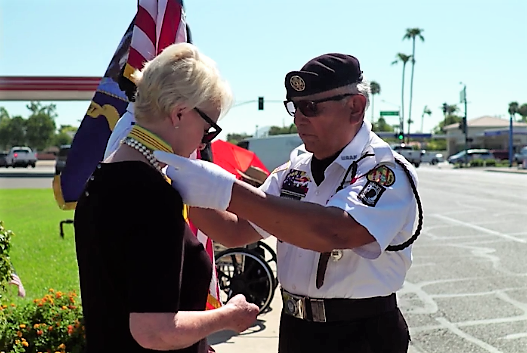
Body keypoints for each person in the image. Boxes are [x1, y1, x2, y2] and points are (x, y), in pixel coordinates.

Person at [153, 53, 423, 353]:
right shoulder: (294, 171)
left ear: (355, 107)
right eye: (295, 107)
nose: (299, 118)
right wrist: (181, 185)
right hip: (297, 329)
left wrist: (227, 190)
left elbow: (335, 232)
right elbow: (236, 231)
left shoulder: (384, 171)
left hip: (360, 334)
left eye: (311, 106)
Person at [74, 42, 259, 353]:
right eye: (208, 128)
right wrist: (228, 316)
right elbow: (154, 331)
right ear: (179, 113)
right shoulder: (153, 195)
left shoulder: (104, 175)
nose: (204, 141)